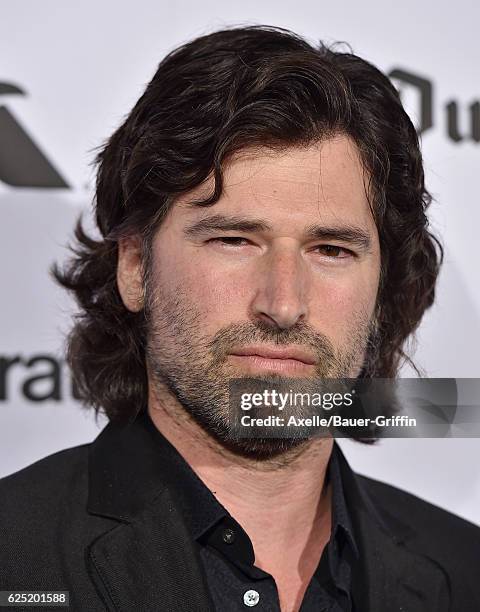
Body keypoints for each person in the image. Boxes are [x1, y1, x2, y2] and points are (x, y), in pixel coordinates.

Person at [1, 25, 479, 612]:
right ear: (133, 267)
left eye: (331, 250)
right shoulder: (14, 558)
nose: (282, 305)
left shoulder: (465, 572)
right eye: (234, 239)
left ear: (382, 289)